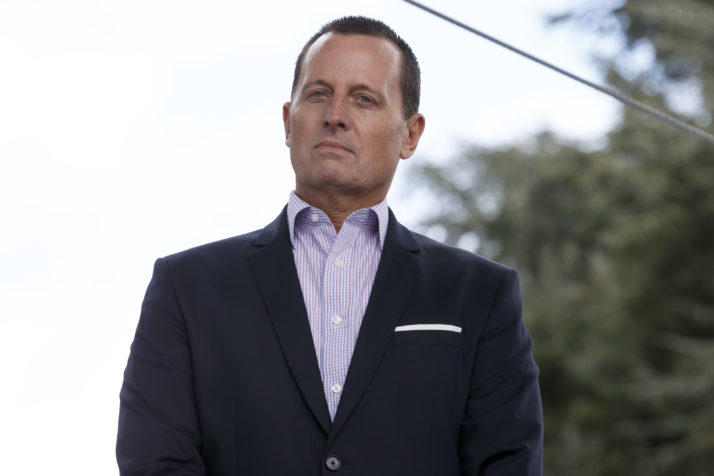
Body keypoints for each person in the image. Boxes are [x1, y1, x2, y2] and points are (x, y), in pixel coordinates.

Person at [117, 16, 543, 475]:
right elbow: (155, 462)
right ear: (288, 121)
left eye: (364, 99)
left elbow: (508, 463)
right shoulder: (186, 287)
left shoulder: (480, 293)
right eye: (319, 94)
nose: (335, 115)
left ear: (410, 134)